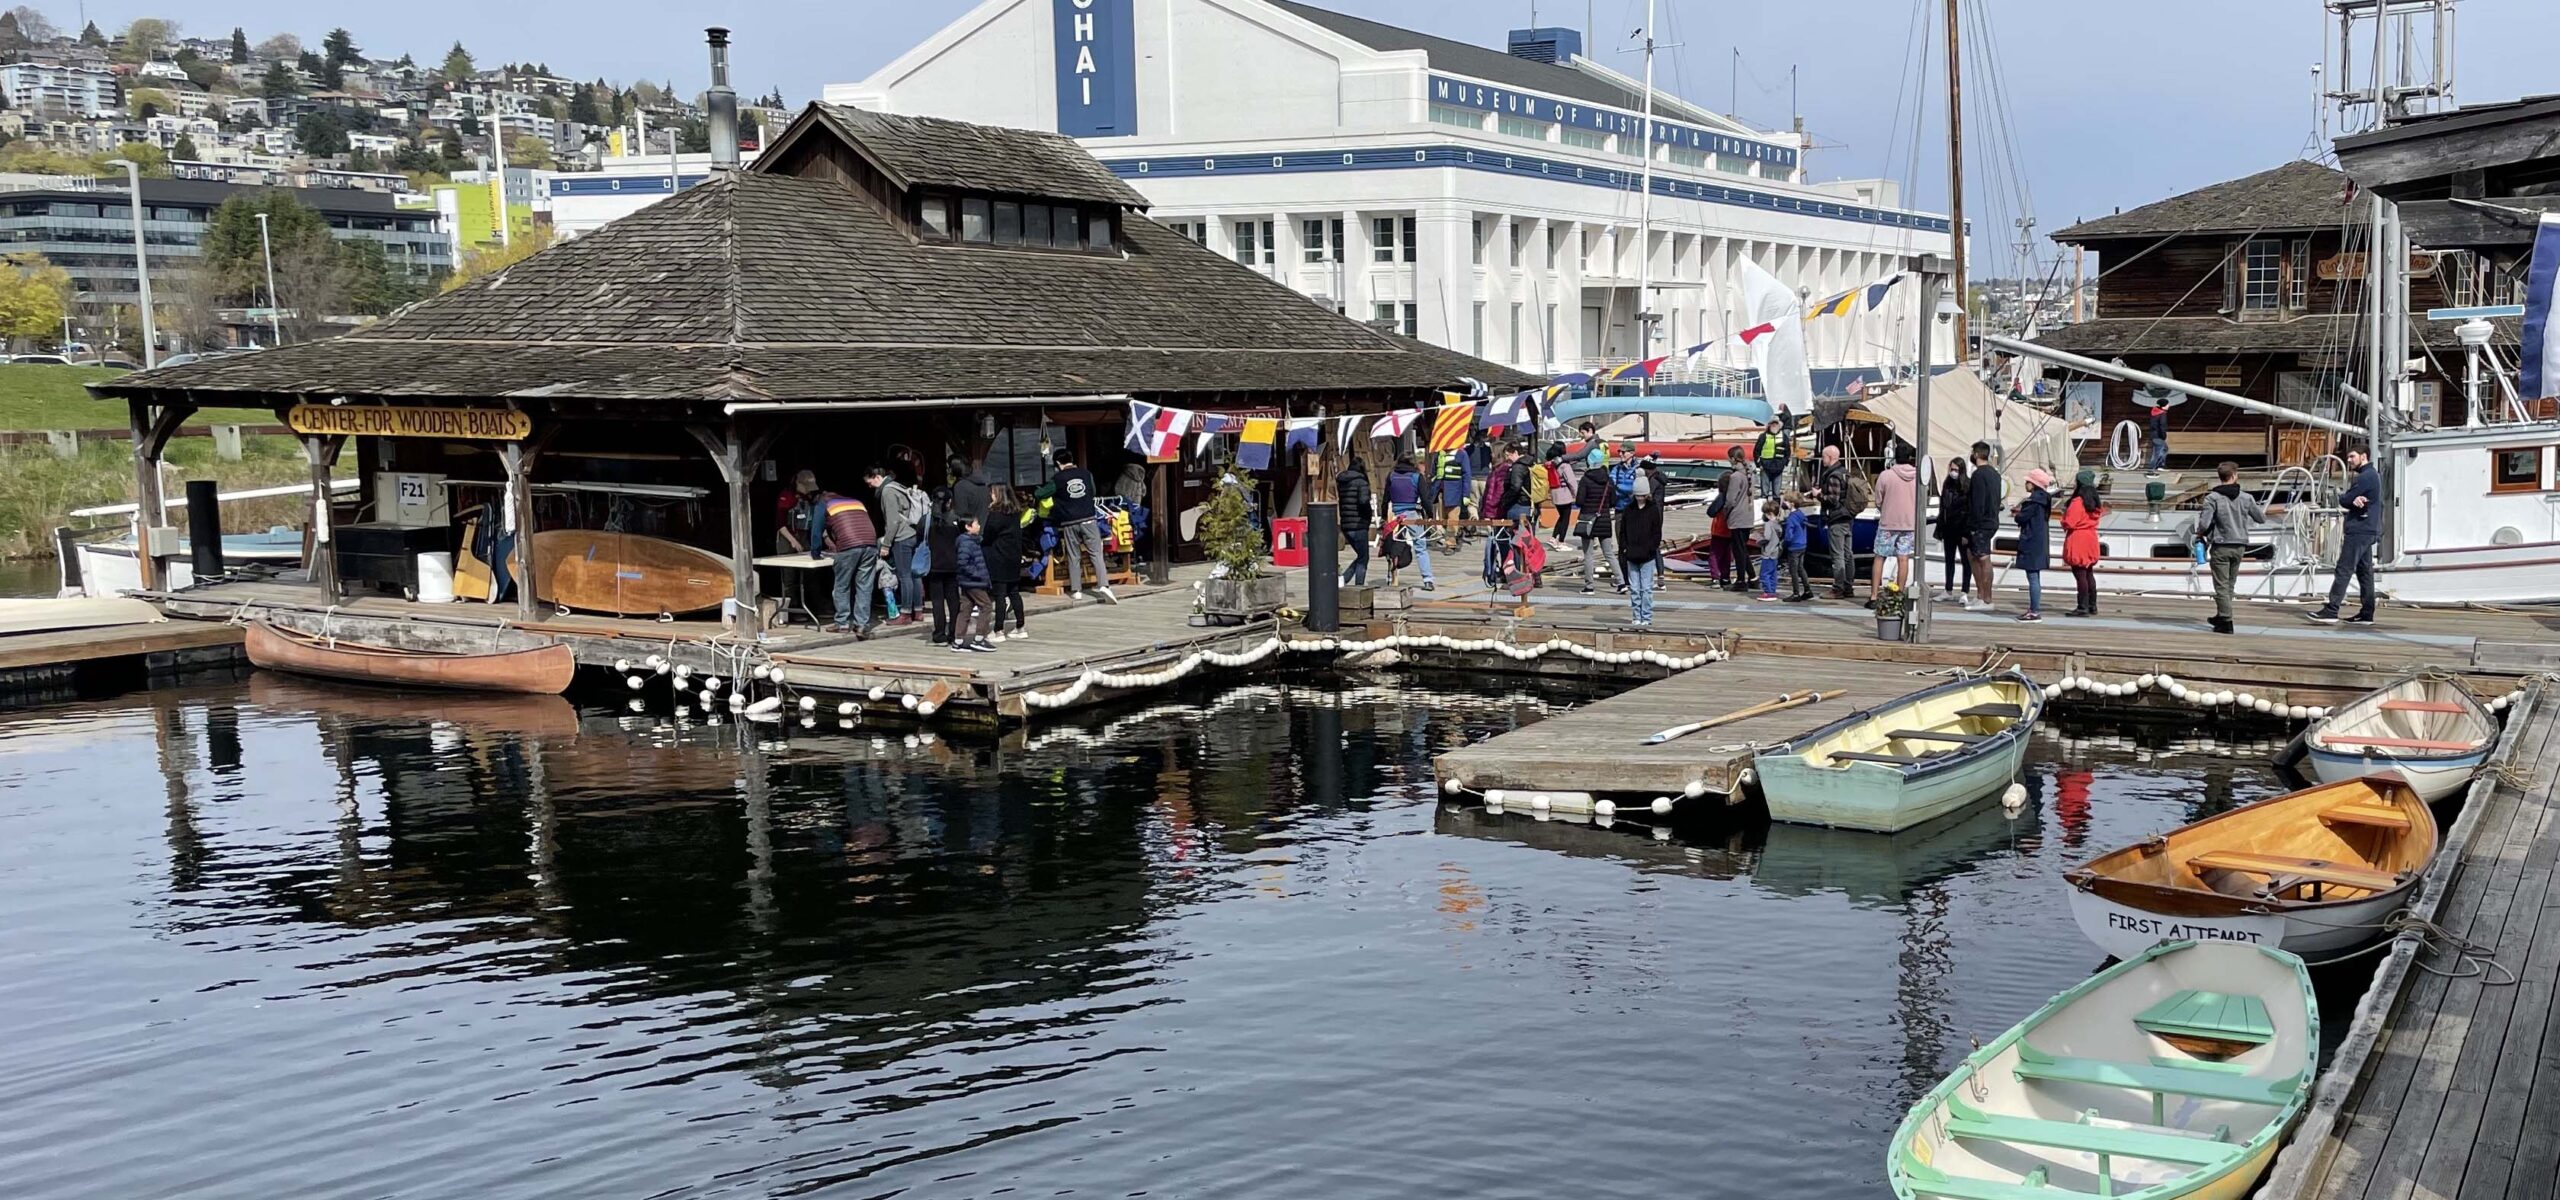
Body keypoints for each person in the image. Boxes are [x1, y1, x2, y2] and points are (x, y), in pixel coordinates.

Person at [2194, 461, 2282, 635]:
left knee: (2221, 585)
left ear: (2220, 478)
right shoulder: (2246, 498)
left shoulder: (2212, 498)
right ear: (2234, 476)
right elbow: (2260, 519)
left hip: (2221, 545)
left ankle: (2226, 621)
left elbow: (2204, 523)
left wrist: (2199, 534)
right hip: (2240, 545)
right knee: (2230, 583)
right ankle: (2221, 615)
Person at [801, 470, 883, 638]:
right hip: (870, 543)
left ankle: (842, 623)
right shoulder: (855, 501)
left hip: (849, 546)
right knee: (864, 586)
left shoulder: (822, 503)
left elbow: (816, 532)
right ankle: (861, 625)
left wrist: (816, 554)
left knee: (841, 586)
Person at [2309, 442, 2381, 625]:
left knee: (2344, 568)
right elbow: (2353, 499)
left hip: (2359, 529)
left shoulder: (2365, 477)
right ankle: (2367, 613)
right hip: (2368, 528)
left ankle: (2332, 610)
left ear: (2363, 457)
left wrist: (2347, 498)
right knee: (2365, 571)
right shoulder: (2373, 476)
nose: (2349, 460)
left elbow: (2345, 499)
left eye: (2352, 456)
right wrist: (2352, 499)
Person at [1037, 451, 1116, 603]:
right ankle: (1104, 585)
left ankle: (1076, 590)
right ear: (1072, 460)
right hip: (1088, 519)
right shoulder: (1086, 474)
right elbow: (1092, 491)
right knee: (1096, 553)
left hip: (1069, 522)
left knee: (1073, 556)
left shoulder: (1057, 479)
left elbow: (1041, 494)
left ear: (1058, 464)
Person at [869, 465, 927, 627]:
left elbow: (893, 521)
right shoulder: (899, 487)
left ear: (877, 477)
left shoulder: (887, 491)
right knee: (915, 574)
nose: (870, 486)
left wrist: (886, 544)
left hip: (902, 537)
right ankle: (918, 611)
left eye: (870, 482)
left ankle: (906, 613)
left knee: (904, 576)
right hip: (914, 533)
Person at [1620, 469, 1665, 629]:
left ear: (1647, 494)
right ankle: (1636, 615)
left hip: (1647, 555)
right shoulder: (1629, 510)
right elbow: (1623, 531)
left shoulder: (1653, 510)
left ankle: (1646, 616)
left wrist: (1652, 549)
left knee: (1646, 589)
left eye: (1642, 495)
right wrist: (1624, 548)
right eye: (1637, 495)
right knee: (1635, 589)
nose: (1639, 498)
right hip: (1632, 554)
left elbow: (1656, 533)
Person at [984, 484, 1029, 640]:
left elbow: (988, 535)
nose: (991, 495)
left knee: (1000, 595)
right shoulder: (1015, 512)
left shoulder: (996, 514)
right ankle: (1021, 626)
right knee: (1014, 592)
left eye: (993, 493)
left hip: (998, 556)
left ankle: (998, 630)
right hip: (1014, 556)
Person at [1873, 446, 1919, 600]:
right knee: (1903, 558)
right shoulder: (1917, 476)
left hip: (1888, 523)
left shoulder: (1885, 475)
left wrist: (1884, 508)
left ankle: (1873, 595)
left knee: (1880, 557)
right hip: (1909, 524)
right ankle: (1898, 593)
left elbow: (1878, 499)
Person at [1385, 455, 1436, 591]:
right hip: (1411, 514)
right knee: (1420, 546)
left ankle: (1391, 579)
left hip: (1394, 514)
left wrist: (1385, 514)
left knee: (1392, 547)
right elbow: (1425, 499)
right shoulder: (1416, 477)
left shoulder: (1391, 476)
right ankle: (1428, 580)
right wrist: (1430, 515)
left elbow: (1386, 498)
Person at [2060, 468, 2105, 617]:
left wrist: (2063, 518)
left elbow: (2069, 522)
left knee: (2079, 574)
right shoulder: (2094, 502)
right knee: (2088, 573)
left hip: (2078, 539)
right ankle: (2092, 605)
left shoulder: (2077, 502)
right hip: (2091, 538)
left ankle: (2082, 606)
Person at [1964, 442, 2003, 612]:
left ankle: (1987, 599)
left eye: (1972, 452)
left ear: (1977, 454)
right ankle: (1980, 595)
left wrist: (1972, 526)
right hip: (1991, 520)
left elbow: (1977, 502)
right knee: (1972, 555)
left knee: (1983, 557)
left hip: (1981, 523)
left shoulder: (1979, 475)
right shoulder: (1995, 474)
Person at [1816, 443, 1857, 600]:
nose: (1822, 459)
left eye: (1824, 456)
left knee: (1838, 555)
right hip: (1848, 517)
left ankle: (1838, 588)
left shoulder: (1833, 476)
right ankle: (1848, 586)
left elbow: (1833, 499)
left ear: (1830, 457)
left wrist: (1818, 495)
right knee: (1848, 554)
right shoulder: (1845, 473)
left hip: (1837, 518)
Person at [952, 515, 997, 653]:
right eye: (976, 524)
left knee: (965, 609)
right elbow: (963, 563)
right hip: (973, 582)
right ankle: (979, 639)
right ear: (967, 526)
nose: (979, 526)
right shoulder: (966, 542)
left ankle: (958, 641)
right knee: (986, 606)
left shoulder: (973, 541)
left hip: (968, 582)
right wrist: (978, 574)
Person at [2013, 468, 2053, 622]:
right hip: (2040, 541)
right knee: (2035, 577)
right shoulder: (2045, 500)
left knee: (2033, 578)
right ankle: (2033, 609)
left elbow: (2022, 518)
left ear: (2034, 484)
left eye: (2028, 481)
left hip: (2031, 542)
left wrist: (2018, 514)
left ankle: (2034, 611)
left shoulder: (2033, 501)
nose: (2026, 484)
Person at [1574, 452, 1617, 593]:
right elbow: (1613, 502)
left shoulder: (1586, 479)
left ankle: (1589, 585)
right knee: (1609, 553)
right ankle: (1621, 582)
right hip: (1604, 520)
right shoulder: (1608, 479)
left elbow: (1579, 502)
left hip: (1588, 520)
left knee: (1588, 554)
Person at [923, 495, 962, 645]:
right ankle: (953, 633)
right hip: (952, 565)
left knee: (937, 602)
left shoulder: (926, 520)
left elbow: (921, 536)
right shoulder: (955, 520)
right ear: (949, 502)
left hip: (934, 565)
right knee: (954, 601)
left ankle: (939, 634)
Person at [1934, 457, 1971, 601]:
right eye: (1951, 469)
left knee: (1965, 561)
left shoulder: (1967, 485)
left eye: (1956, 470)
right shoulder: (1947, 483)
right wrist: (1940, 526)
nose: (1953, 472)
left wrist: (1966, 532)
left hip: (1962, 529)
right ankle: (1948, 590)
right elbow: (1943, 506)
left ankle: (1964, 591)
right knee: (1949, 559)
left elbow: (1969, 510)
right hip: (1948, 527)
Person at [1722, 447, 1757, 592]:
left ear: (1732, 458)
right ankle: (1753, 578)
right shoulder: (1750, 473)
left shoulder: (1736, 476)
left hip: (1737, 517)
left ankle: (1741, 580)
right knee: (1743, 549)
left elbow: (1731, 500)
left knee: (1738, 551)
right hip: (1748, 515)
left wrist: (1725, 512)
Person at [1337, 458, 1373, 586]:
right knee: (1363, 558)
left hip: (1346, 524)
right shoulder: (1361, 482)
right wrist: (1369, 514)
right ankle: (1358, 586)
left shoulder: (1342, 481)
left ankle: (1344, 579)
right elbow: (1363, 502)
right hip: (1359, 524)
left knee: (1361, 556)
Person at [1783, 491, 1816, 602]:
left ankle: (1796, 593)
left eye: (1786, 501)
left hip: (1794, 547)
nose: (1784, 503)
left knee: (1793, 571)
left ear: (1792, 503)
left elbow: (1788, 535)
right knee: (1801, 568)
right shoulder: (1800, 514)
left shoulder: (1791, 518)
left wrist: (1784, 544)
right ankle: (1807, 590)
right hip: (1803, 544)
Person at [1548, 447, 1581, 552]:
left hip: (1555, 494)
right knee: (1565, 519)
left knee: (1561, 517)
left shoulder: (1552, 465)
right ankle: (1561, 541)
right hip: (1565, 495)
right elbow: (1571, 481)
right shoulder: (1564, 466)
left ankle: (1553, 538)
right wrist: (1577, 495)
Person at [1754, 413, 1790, 496]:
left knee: (1777, 493)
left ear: (1779, 425)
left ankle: (1776, 507)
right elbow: (1756, 451)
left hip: (1778, 467)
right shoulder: (1763, 436)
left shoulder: (1783, 437)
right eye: (1772, 423)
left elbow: (1787, 451)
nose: (1774, 425)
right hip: (1765, 467)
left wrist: (1785, 463)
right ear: (1769, 425)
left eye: (1776, 423)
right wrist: (1759, 464)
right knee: (1764, 493)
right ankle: (1763, 506)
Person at [1756, 498, 1784, 602]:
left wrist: (1759, 540)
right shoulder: (1778, 525)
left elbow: (1766, 537)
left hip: (1767, 553)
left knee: (1764, 574)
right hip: (1775, 552)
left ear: (1769, 513)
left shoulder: (1768, 524)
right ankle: (1772, 590)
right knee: (1773, 573)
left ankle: (1767, 592)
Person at [2147, 401, 2170, 472]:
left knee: (2164, 448)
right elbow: (2162, 425)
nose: (2169, 405)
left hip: (2154, 434)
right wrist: (2163, 436)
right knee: (2157, 452)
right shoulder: (2162, 414)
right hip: (2158, 435)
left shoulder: (2155, 412)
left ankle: (2160, 465)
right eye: (2167, 404)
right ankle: (2151, 469)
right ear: (2164, 406)